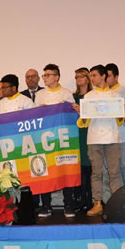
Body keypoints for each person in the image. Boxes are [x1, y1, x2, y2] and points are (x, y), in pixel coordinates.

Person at [76, 65, 123, 216]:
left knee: (114, 172)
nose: (92, 78)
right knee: (96, 172)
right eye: (91, 76)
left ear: (103, 76)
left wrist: (123, 112)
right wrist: (82, 115)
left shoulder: (115, 95)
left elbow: (119, 120)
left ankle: (116, 203)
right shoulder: (88, 97)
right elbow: (85, 122)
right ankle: (97, 203)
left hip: (112, 137)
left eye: (94, 75)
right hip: (94, 137)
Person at [34, 64, 76, 218]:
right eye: (44, 75)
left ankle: (68, 205)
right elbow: (34, 117)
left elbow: (72, 116)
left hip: (62, 138)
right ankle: (46, 206)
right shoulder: (40, 95)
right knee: (45, 171)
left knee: (65, 171)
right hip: (45, 139)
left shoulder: (66, 94)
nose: (45, 78)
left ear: (57, 77)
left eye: (48, 75)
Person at [105, 63, 125, 186]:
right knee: (113, 169)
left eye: (109, 76)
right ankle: (120, 194)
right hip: (108, 137)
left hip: (124, 136)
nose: (106, 79)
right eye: (105, 76)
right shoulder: (102, 93)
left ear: (116, 77)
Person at [73, 67, 93, 213]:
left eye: (81, 76)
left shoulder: (93, 96)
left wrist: (82, 111)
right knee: (77, 170)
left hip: (89, 134)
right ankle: (79, 200)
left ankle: (90, 200)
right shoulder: (72, 97)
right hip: (75, 135)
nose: (79, 79)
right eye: (76, 77)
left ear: (88, 78)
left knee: (88, 169)